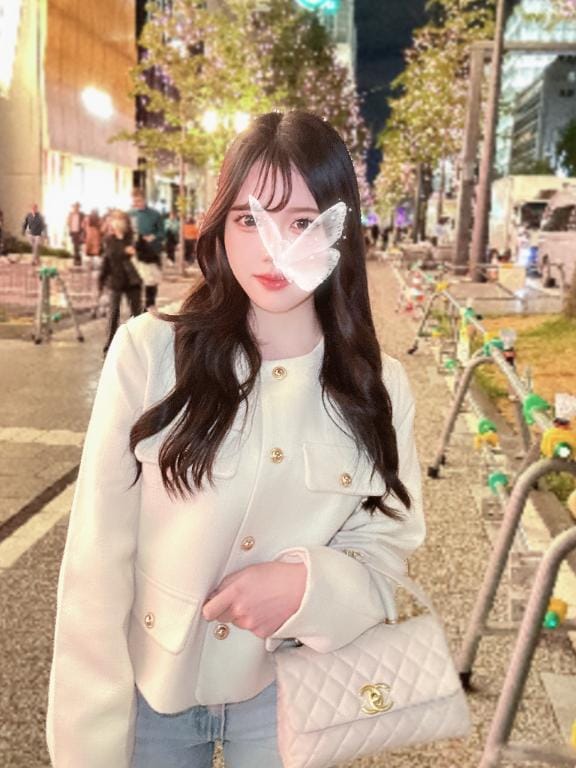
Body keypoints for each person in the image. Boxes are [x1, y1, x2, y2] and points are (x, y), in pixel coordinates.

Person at [47, 111, 425, 768]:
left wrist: (308, 587)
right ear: (221, 225)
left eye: (302, 222)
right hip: (152, 692)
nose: (272, 250)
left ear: (340, 232)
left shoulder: (380, 386)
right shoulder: (150, 352)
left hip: (291, 690)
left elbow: (386, 548)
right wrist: (87, 740)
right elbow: (96, 559)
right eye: (251, 219)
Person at [98, 210, 143, 356]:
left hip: (133, 280)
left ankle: (138, 344)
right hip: (115, 280)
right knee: (113, 313)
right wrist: (101, 279)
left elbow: (142, 253)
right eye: (115, 219)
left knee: (137, 313)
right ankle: (109, 345)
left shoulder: (132, 238)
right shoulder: (108, 239)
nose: (118, 223)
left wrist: (132, 250)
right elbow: (110, 256)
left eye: (120, 219)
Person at [129, 190, 164, 308]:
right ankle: (136, 307)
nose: (136, 203)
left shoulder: (155, 214)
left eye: (138, 201)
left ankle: (149, 306)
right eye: (134, 201)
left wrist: (152, 237)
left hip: (151, 252)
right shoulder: (130, 214)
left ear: (144, 199)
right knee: (136, 280)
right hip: (135, 252)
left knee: (151, 280)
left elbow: (162, 233)